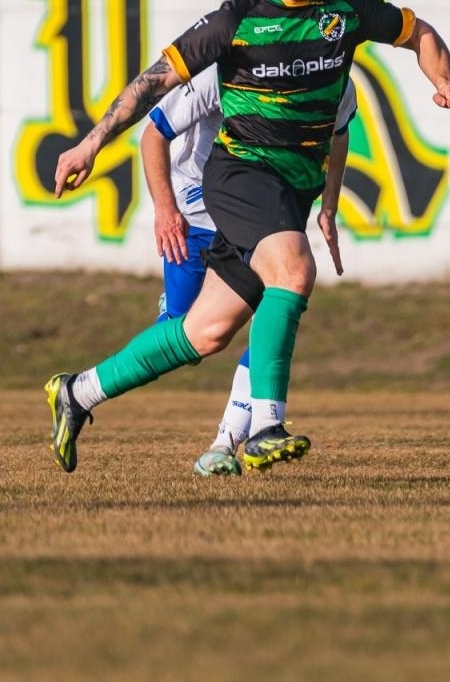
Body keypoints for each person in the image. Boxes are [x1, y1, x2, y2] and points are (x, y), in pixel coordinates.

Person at [46, 0, 450, 473]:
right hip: (242, 175)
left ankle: (78, 393)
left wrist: (443, 80)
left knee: (204, 332)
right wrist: (91, 142)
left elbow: (418, 31)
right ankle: (265, 426)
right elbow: (154, 84)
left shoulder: (343, 13)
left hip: (289, 192)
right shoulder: (236, 19)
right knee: (295, 269)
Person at [143, 66, 355, 476]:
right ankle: (168, 314)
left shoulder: (332, 73)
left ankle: (226, 442)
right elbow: (155, 131)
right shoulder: (219, 68)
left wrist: (329, 205)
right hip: (196, 214)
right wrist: (165, 208)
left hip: (256, 213)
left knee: (273, 310)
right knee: (189, 335)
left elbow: (340, 132)